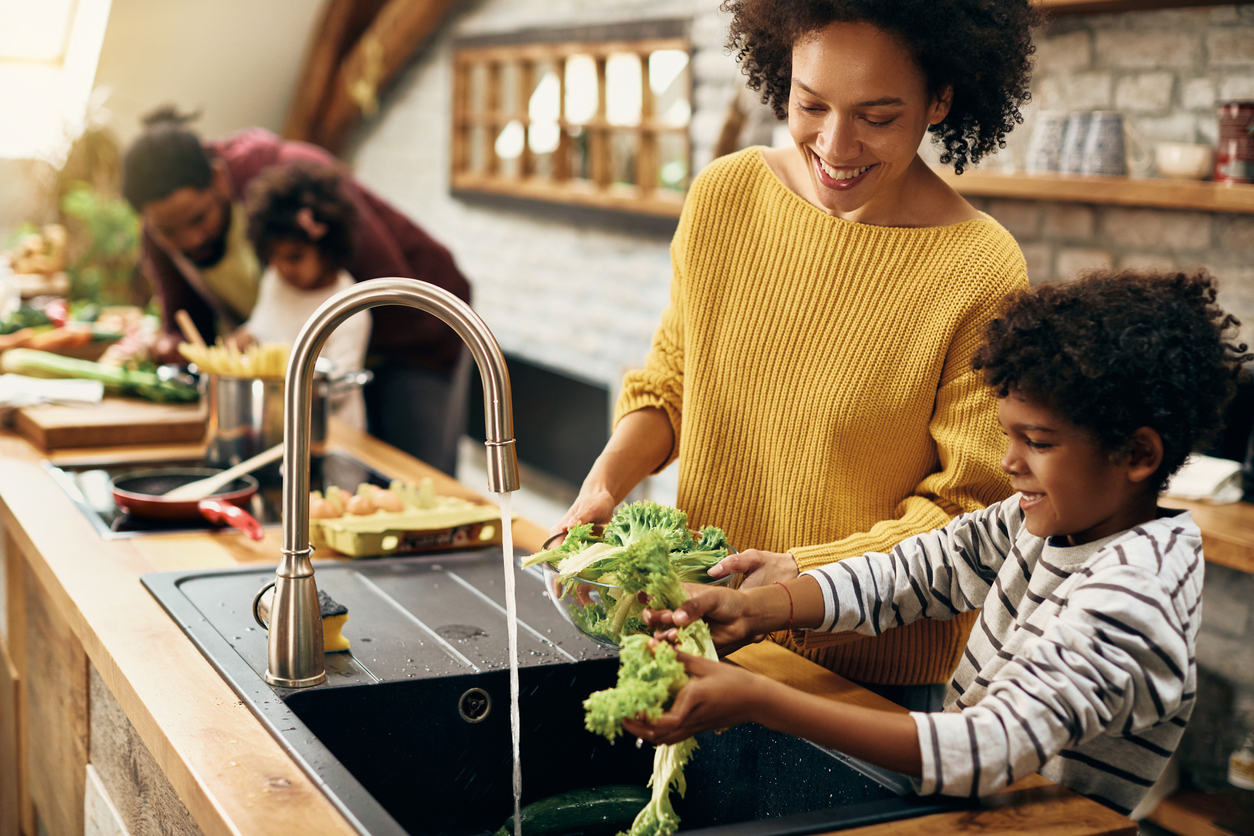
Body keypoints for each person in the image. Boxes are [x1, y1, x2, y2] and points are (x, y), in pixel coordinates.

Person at [629, 269, 1247, 815]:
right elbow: (923, 570)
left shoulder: (1133, 596)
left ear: (1137, 454)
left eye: (1039, 441)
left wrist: (759, 699)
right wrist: (756, 606)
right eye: (1009, 435)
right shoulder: (1049, 522)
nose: (1008, 463)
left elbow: (987, 746)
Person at [555, 0, 1039, 697]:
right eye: (810, 105)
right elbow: (672, 384)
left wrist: (798, 580)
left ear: (941, 100)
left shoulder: (981, 269)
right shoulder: (728, 196)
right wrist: (605, 483)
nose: (836, 148)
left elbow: (966, 511)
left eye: (877, 118)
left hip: (867, 686)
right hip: (701, 643)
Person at [121, 107, 471, 474]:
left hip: (417, 332)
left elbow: (389, 288)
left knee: (410, 475)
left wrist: (332, 372)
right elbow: (191, 325)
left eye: (198, 218)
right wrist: (174, 345)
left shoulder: (292, 182)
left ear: (219, 180)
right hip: (324, 365)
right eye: (169, 231)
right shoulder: (159, 235)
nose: (189, 239)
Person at [241, 163, 371, 431]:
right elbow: (261, 327)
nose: (284, 267)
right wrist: (244, 338)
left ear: (327, 247)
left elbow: (338, 390)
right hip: (278, 424)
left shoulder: (349, 307)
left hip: (331, 433)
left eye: (295, 257)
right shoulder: (274, 280)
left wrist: (281, 381)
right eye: (274, 257)